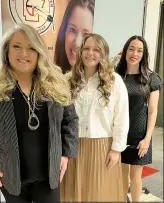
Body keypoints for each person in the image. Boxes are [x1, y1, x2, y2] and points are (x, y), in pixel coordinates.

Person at [0, 23, 79, 203]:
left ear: (39, 52)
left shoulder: (55, 82)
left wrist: (65, 153)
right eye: (17, 46)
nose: (24, 54)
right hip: (9, 175)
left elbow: (71, 119)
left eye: (31, 48)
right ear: (6, 50)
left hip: (49, 175)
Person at [60, 33, 129, 202]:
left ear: (103, 53)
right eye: (87, 48)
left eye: (96, 49)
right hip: (72, 146)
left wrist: (116, 149)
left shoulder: (114, 81)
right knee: (73, 195)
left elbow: (122, 117)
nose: (90, 53)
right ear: (80, 51)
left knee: (99, 194)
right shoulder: (68, 80)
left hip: (102, 147)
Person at [116, 35, 162, 202]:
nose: (135, 53)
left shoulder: (151, 78)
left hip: (139, 135)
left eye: (139, 50)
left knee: (136, 176)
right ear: (125, 50)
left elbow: (153, 111)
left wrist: (147, 139)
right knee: (121, 175)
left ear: (144, 54)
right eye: (131, 49)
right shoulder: (116, 76)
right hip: (119, 134)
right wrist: (115, 57)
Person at [54, 0, 95, 73]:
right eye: (72, 30)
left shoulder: (103, 81)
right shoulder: (51, 78)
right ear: (64, 30)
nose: (77, 43)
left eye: (86, 35)